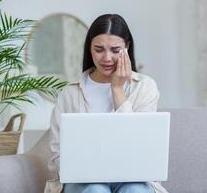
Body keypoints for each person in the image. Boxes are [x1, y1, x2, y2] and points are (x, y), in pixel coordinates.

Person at [44, 14, 168, 193]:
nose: (107, 58)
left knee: (135, 190)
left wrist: (117, 89)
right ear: (90, 49)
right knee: (96, 189)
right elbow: (56, 155)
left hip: (133, 178)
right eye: (99, 49)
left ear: (127, 47)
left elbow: (138, 145)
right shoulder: (69, 94)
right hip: (83, 181)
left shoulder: (145, 87)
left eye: (115, 50)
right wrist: (83, 168)